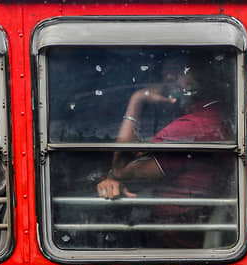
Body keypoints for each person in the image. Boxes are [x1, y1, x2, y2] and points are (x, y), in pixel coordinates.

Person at [95, 51, 233, 249]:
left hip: (172, 239)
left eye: (178, 72)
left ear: (204, 77)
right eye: (166, 72)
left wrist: (137, 100)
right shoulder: (213, 117)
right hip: (185, 227)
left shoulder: (191, 127)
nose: (168, 78)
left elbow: (121, 169)